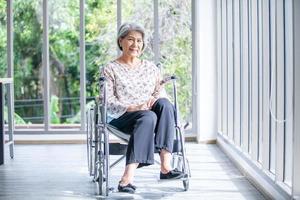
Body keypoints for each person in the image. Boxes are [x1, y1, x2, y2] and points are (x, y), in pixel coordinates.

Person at [101, 22, 184, 194]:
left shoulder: (150, 68)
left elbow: (159, 92)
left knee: (165, 105)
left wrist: (155, 100)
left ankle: (166, 166)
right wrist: (134, 107)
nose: (135, 45)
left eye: (139, 41)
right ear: (120, 41)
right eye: (130, 39)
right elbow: (108, 101)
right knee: (148, 117)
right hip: (123, 116)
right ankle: (127, 178)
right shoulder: (110, 69)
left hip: (148, 114)